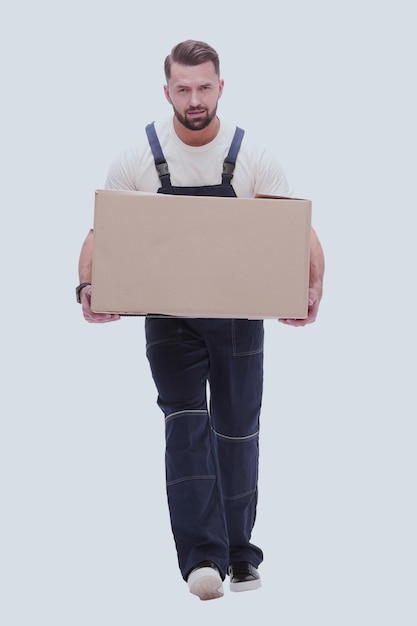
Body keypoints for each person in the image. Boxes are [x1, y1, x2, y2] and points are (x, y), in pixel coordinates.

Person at [77, 39, 325, 601]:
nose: (194, 99)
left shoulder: (252, 154)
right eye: (183, 89)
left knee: (238, 430)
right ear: (167, 91)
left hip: (239, 318)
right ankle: (201, 561)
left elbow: (298, 228)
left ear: (220, 87)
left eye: (204, 87)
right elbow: (101, 232)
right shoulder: (137, 157)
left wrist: (312, 287)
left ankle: (240, 554)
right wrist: (89, 287)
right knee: (185, 425)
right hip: (168, 319)